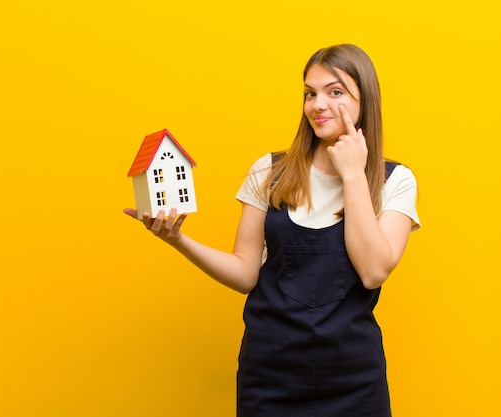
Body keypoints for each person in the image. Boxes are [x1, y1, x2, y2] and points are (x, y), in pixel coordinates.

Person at [124, 44, 419, 417]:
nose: (318, 105)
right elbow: (246, 272)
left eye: (336, 92)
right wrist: (178, 240)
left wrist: (352, 174)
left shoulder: (395, 181)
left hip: (354, 382)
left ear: (366, 100)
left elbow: (374, 271)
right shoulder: (270, 172)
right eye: (310, 93)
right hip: (270, 377)